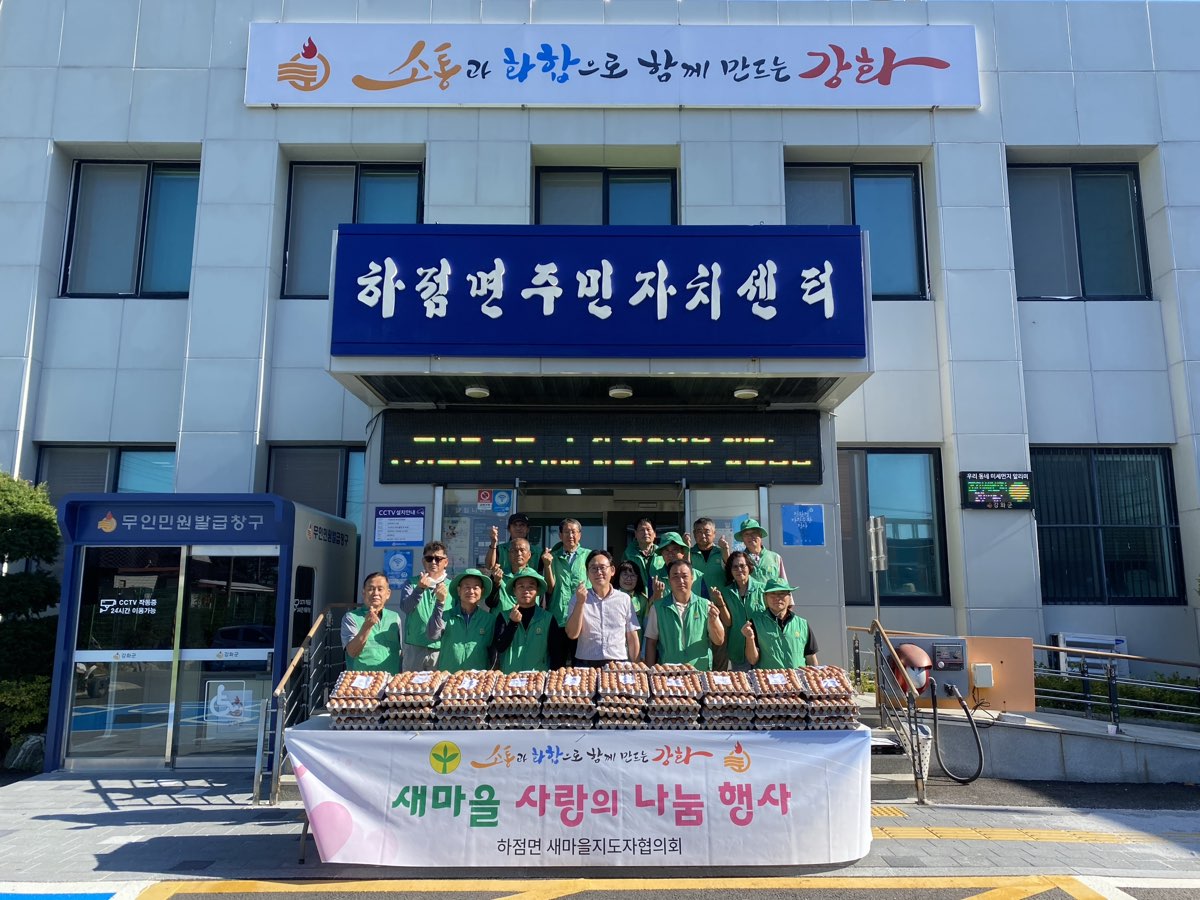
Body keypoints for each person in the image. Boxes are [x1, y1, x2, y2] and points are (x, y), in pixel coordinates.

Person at [644, 558, 725, 670]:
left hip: (700, 672)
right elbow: (651, 643)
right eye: (675, 576)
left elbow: (719, 640)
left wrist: (713, 621)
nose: (680, 581)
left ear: (692, 578)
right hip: (669, 673)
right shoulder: (657, 608)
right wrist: (650, 672)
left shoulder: (705, 605)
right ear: (669, 580)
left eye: (684, 576)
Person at [565, 550, 641, 667]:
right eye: (593, 568)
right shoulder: (577, 598)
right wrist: (580, 603)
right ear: (587, 573)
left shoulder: (624, 599)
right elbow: (572, 634)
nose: (598, 572)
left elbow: (632, 637)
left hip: (617, 664)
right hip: (585, 664)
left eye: (602, 567)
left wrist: (636, 667)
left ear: (612, 570)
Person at [427, 568, 504, 672]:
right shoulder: (446, 615)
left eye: (476, 588)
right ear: (459, 590)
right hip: (449, 676)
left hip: (478, 678)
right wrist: (440, 603)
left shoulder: (490, 620)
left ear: (482, 591)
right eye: (467, 587)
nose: (471, 591)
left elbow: (495, 652)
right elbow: (432, 635)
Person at [394, 541, 451, 671]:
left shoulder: (452, 587)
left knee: (439, 684)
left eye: (438, 559)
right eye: (429, 558)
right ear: (423, 561)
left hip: (441, 647)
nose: (433, 562)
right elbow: (406, 608)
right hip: (414, 647)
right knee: (410, 684)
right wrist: (419, 589)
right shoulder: (411, 583)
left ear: (446, 562)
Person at [740, 576, 819, 668]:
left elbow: (811, 657)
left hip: (797, 676)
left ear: (789, 597)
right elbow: (752, 660)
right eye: (772, 594)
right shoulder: (755, 623)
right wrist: (749, 638)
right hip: (769, 677)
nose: (777, 598)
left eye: (782, 593)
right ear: (765, 597)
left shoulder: (802, 624)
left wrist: (815, 674)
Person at [542, 518, 589, 668]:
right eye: (567, 532)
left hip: (583, 618)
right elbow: (549, 588)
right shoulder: (552, 557)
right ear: (560, 535)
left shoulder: (589, 556)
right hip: (558, 616)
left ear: (580, 535)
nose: (570, 536)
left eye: (574, 532)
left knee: (580, 665)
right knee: (557, 665)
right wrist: (547, 566)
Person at [710, 550, 765, 671]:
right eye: (735, 567)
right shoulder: (726, 592)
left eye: (742, 566)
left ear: (749, 567)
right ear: (730, 570)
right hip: (738, 648)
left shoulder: (762, 589)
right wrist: (720, 601)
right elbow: (728, 622)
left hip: (762, 648)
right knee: (741, 682)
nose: (739, 570)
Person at [340, 572, 402, 674]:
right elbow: (352, 652)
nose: (375, 593)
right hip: (361, 680)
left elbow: (400, 652)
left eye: (380, 589)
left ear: (388, 594)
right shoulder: (351, 617)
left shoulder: (395, 617)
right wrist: (367, 626)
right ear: (363, 593)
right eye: (370, 589)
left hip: (390, 679)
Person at [494, 567, 553, 673]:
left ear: (537, 590)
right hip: (510, 677)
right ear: (514, 590)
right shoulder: (504, 616)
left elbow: (556, 653)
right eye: (521, 586)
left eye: (531, 586)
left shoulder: (548, 618)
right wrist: (512, 623)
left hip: (538, 677)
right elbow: (500, 647)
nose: (526, 591)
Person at [652, 531, 706, 601]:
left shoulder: (698, 576)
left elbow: (706, 604)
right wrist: (656, 595)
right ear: (662, 553)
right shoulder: (655, 578)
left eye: (675, 550)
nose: (670, 554)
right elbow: (649, 606)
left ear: (683, 552)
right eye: (666, 550)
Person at [614, 560, 651, 655]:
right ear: (618, 576)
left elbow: (646, 627)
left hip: (636, 650)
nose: (629, 579)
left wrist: (643, 653)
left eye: (633, 575)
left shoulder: (642, 600)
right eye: (625, 574)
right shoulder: (611, 597)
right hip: (615, 650)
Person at [687, 516, 730, 597]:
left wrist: (725, 549)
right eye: (699, 532)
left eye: (707, 532)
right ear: (694, 534)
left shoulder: (721, 552)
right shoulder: (689, 553)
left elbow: (730, 571)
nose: (703, 536)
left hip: (720, 601)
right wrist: (686, 549)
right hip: (697, 601)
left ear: (714, 533)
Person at [487, 537, 533, 612]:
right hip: (501, 618)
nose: (518, 554)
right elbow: (490, 603)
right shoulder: (498, 574)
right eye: (514, 551)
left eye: (522, 550)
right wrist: (496, 583)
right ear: (509, 554)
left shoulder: (536, 578)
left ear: (529, 554)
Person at [622, 518, 665, 597]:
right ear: (635, 534)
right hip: (636, 598)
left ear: (654, 533)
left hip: (660, 598)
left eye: (648, 529)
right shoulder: (628, 554)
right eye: (642, 530)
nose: (645, 533)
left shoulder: (662, 554)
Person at [736, 517, 787, 584]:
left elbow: (784, 584)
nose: (750, 536)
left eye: (754, 533)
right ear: (742, 538)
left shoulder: (775, 557)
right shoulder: (739, 559)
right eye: (746, 534)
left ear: (760, 535)